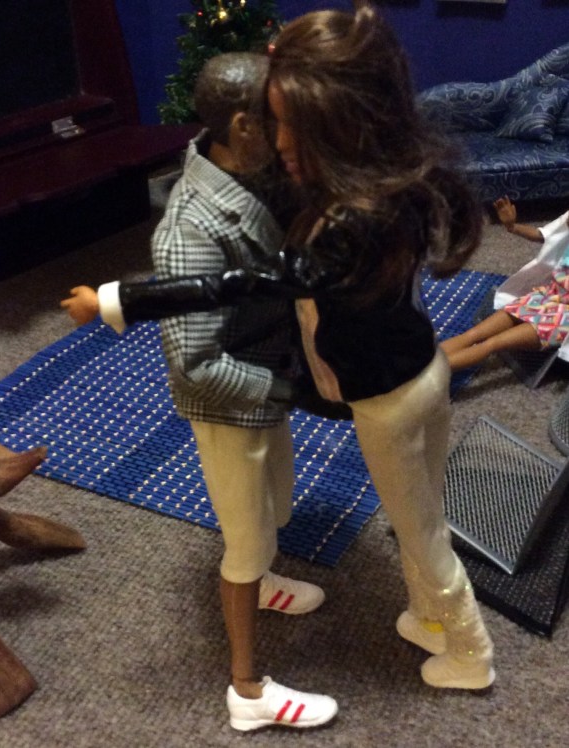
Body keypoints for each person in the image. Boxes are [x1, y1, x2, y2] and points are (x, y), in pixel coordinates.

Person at [70, 4, 496, 692]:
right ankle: (428, 618)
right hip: (425, 367)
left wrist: (120, 299)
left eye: (290, 124)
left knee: (421, 533)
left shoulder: (343, 225)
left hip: (385, 400)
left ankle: (470, 654)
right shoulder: (397, 179)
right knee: (423, 513)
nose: (280, 141)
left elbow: (238, 282)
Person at [64, 52, 339, 732]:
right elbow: (195, 365)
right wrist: (286, 391)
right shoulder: (190, 228)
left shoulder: (255, 169)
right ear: (243, 126)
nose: (290, 133)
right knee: (243, 541)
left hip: (266, 376)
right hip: (232, 402)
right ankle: (247, 691)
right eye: (278, 119)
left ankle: (264, 576)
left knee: (274, 501)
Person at [441, 195, 569, 371]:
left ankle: (424, 378)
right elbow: (543, 234)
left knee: (492, 344)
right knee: (473, 334)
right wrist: (512, 226)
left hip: (564, 317)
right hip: (548, 295)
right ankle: (416, 369)